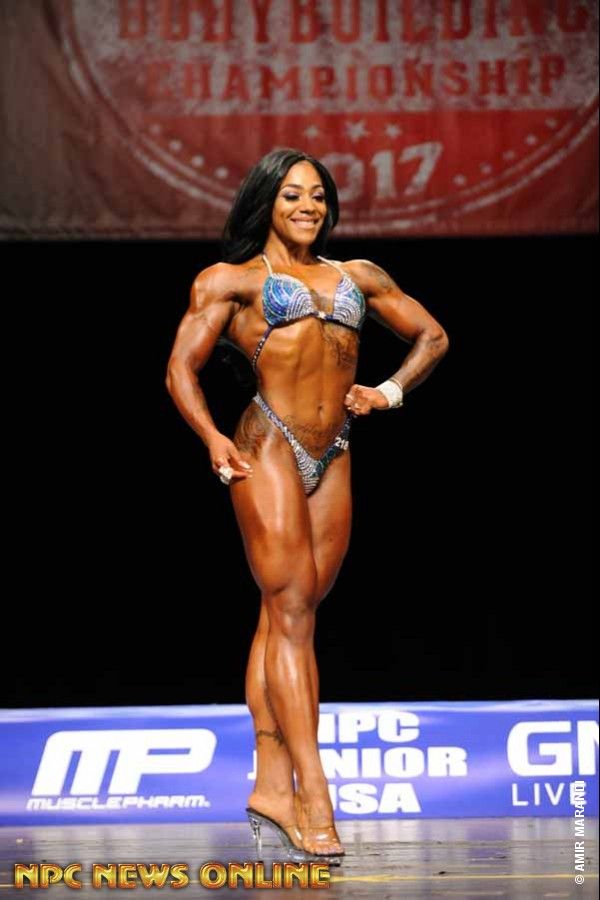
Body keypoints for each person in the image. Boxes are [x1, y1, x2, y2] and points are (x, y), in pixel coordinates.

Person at [165, 148, 449, 864]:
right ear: (267, 200)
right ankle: (313, 795)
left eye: (318, 196)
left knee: (289, 613)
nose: (308, 207)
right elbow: (179, 369)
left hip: (336, 450)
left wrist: (388, 392)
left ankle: (269, 785)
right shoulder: (231, 280)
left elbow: (433, 335)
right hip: (265, 444)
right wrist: (211, 437)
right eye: (293, 194)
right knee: (291, 612)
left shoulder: (358, 276)